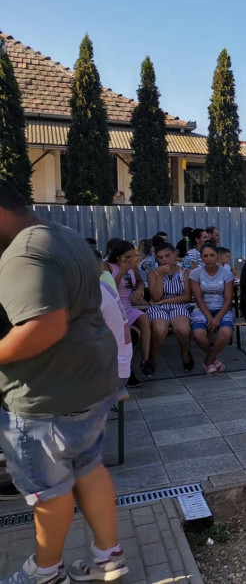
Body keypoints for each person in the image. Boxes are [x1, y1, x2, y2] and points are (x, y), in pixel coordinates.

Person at [0, 180, 130, 583]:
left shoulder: (24, 253)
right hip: (92, 381)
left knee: (49, 490)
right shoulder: (65, 235)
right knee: (88, 465)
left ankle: (45, 570)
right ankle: (108, 556)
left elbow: (44, 326)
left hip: (46, 395)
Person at [105, 240, 155, 377]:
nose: (131, 259)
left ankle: (145, 360)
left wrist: (140, 288)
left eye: (133, 256)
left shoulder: (132, 266)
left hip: (128, 305)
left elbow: (139, 281)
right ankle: (126, 368)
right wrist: (122, 270)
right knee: (132, 333)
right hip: (115, 306)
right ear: (117, 256)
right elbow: (109, 289)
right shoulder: (108, 266)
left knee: (144, 319)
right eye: (127, 257)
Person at [146, 242, 194, 373]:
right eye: (160, 257)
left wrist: (165, 300)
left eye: (167, 256)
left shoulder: (185, 272)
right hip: (158, 307)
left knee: (184, 330)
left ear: (174, 255)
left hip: (178, 305)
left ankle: (185, 353)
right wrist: (161, 275)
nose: (164, 260)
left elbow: (187, 297)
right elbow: (156, 297)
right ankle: (153, 358)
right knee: (159, 330)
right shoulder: (152, 273)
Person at [189, 243, 235, 375]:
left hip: (222, 308)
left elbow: (228, 298)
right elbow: (198, 297)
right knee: (198, 334)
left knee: (226, 332)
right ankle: (214, 359)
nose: (209, 259)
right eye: (205, 256)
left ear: (217, 256)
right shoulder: (195, 273)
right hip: (202, 308)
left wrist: (218, 318)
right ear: (201, 258)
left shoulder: (226, 273)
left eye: (212, 255)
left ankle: (208, 360)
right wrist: (210, 317)